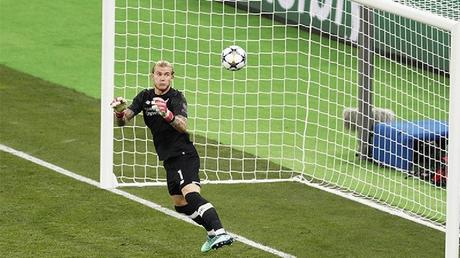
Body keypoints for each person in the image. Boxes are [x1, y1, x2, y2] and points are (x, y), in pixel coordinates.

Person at [110, 60, 234, 252]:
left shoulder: (176, 98)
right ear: (152, 76)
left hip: (183, 154)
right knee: (180, 204)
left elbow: (183, 125)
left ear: (172, 77)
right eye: (159, 74)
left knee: (191, 194)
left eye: (166, 74)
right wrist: (119, 112)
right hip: (168, 158)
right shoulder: (144, 96)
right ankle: (211, 235)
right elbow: (124, 120)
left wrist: (166, 113)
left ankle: (220, 231)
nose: (162, 78)